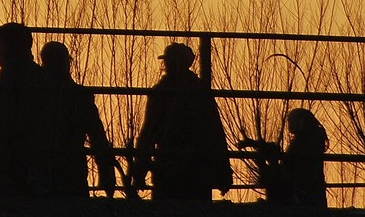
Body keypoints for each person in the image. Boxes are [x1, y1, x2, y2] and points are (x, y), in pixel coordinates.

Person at [132, 42, 233, 201]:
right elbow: (215, 132)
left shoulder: (162, 92)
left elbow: (149, 133)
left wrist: (139, 170)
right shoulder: (199, 91)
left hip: (168, 167)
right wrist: (223, 172)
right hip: (196, 169)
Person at [35, 41, 116, 198]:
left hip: (41, 170)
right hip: (72, 168)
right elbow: (97, 136)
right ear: (67, 62)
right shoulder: (79, 95)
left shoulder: (36, 94)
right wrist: (106, 173)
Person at [0, 23, 44, 198]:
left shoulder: (11, 76)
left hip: (12, 167)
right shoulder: (35, 76)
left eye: (0, 43)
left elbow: (1, 123)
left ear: (11, 46)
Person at [243, 108, 328, 207]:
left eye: (292, 120)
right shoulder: (310, 137)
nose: (289, 124)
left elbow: (293, 163)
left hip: (301, 189)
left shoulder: (306, 139)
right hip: (304, 187)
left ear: (302, 121)